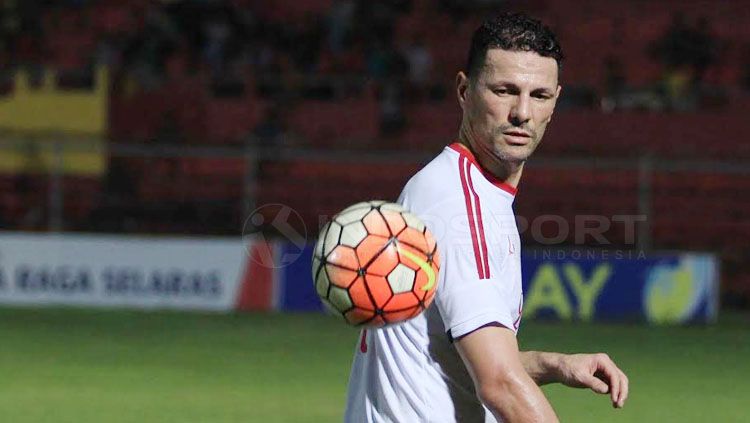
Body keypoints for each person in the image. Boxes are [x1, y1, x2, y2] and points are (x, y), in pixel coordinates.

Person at [344, 13, 629, 422]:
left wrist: (553, 364)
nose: (522, 112)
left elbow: (448, 358)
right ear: (464, 90)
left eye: (540, 95)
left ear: (556, 101)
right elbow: (499, 383)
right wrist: (515, 375)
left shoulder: (451, 187)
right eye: (505, 91)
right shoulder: (458, 204)